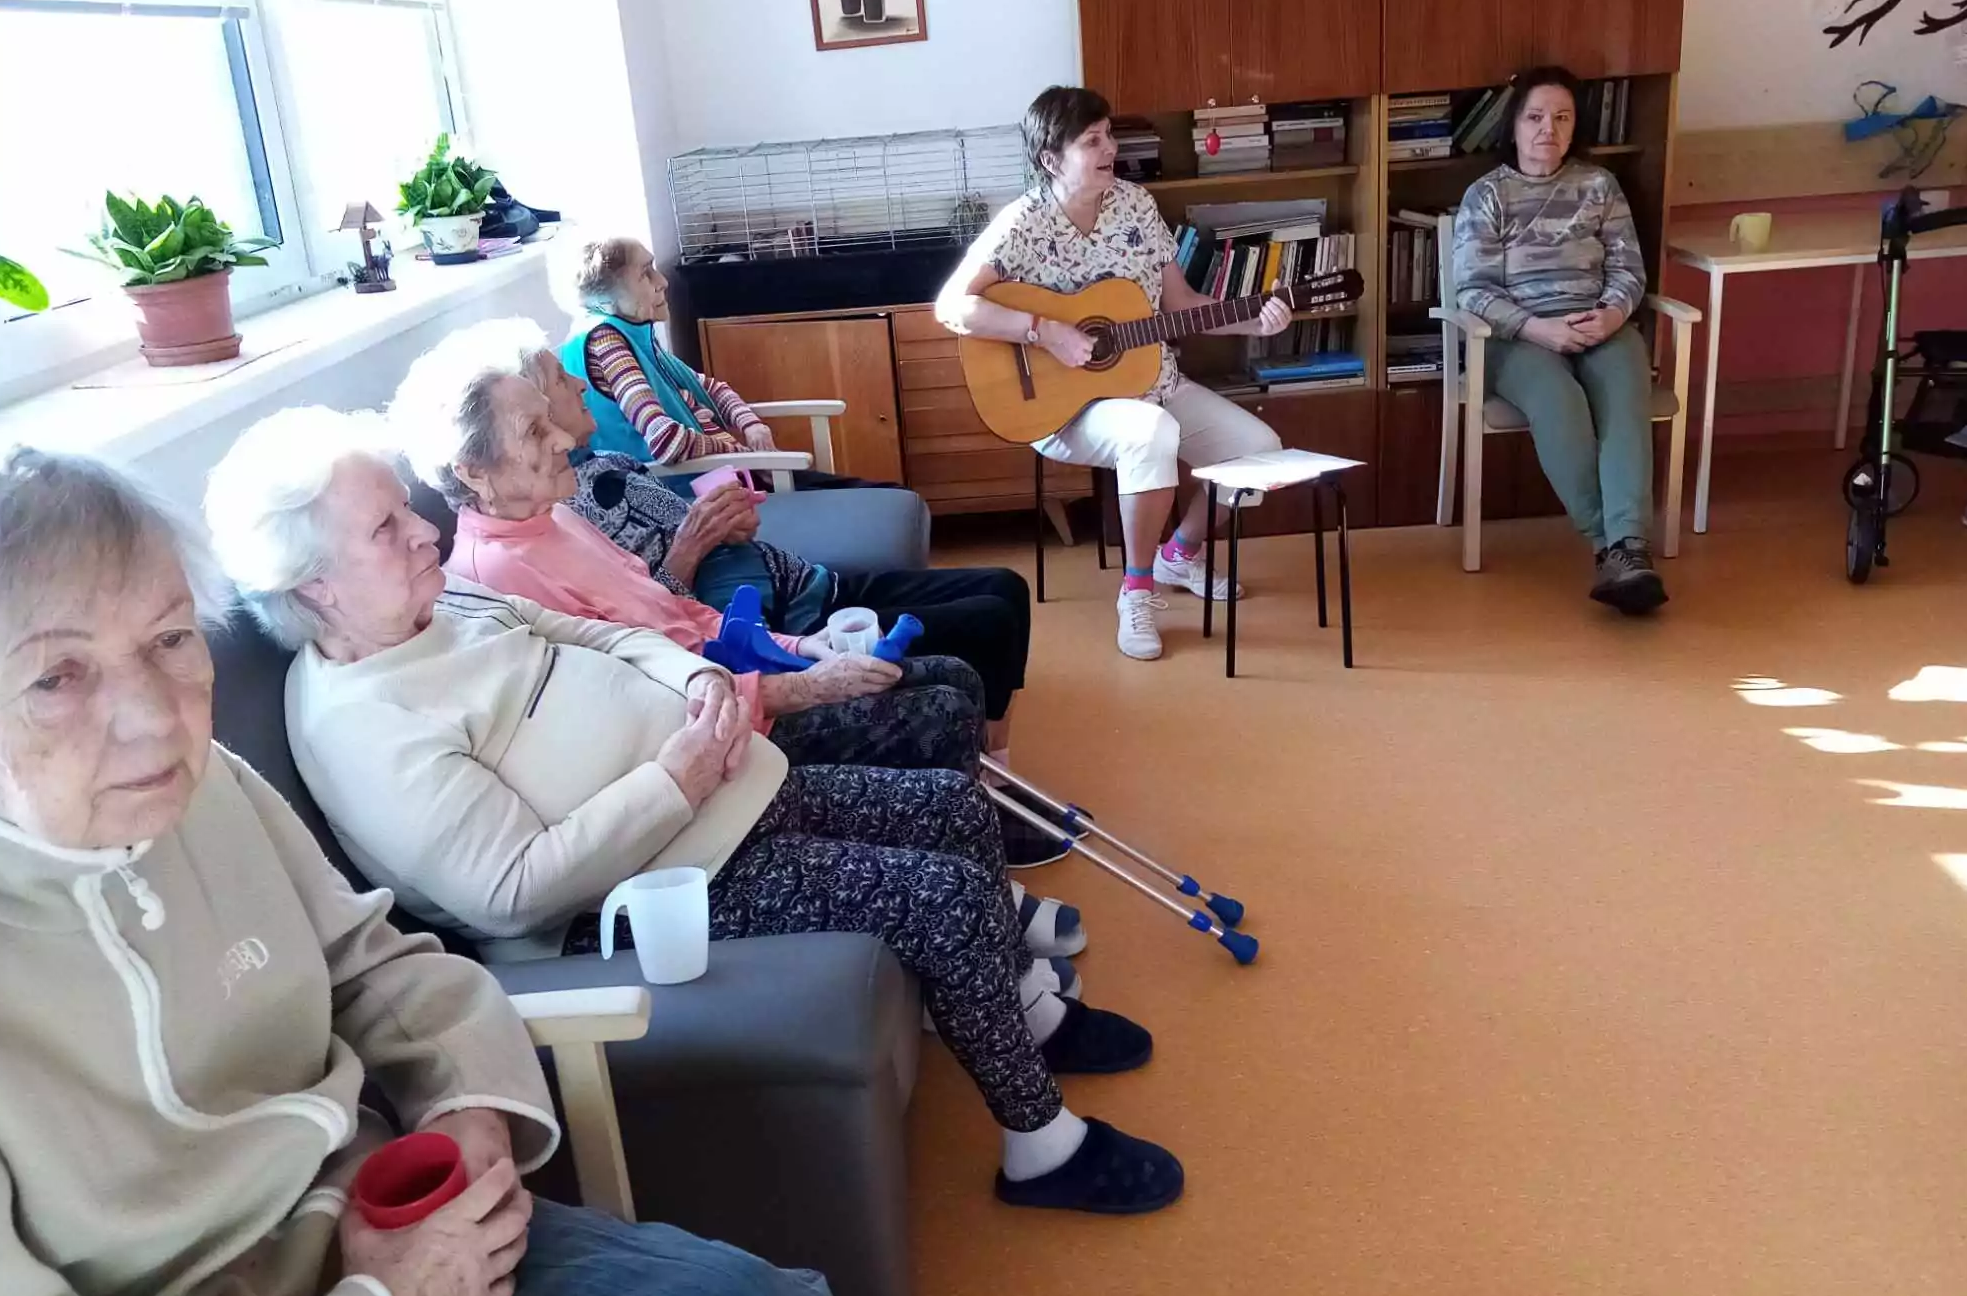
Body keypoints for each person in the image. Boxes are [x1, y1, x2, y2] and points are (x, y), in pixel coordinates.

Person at [0, 448, 866, 1296]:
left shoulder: (212, 785)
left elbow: (372, 963)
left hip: (399, 1222)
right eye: (56, 677)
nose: (153, 718)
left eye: (170, 639)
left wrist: (469, 1099)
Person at [202, 417, 1184, 1217]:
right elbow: (509, 894)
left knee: (951, 805)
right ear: (314, 585)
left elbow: (597, 634)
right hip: (642, 897)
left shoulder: (441, 604)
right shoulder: (360, 724)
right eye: (387, 528)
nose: (425, 532)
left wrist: (698, 678)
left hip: (723, 793)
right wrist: (673, 777)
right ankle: (1041, 1147)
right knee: (945, 897)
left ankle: (1027, 1016)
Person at [387, 325, 1077, 894]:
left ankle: (976, 848)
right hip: (721, 730)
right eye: (536, 431)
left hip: (744, 669)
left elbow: (679, 613)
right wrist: (801, 686)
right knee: (940, 705)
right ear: (473, 471)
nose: (564, 439)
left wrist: (801, 648)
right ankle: (973, 868)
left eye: (550, 421)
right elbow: (643, 701)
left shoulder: (555, 517)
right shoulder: (499, 577)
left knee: (953, 675)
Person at [937, 85, 1291, 662]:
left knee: (1259, 448)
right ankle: (1137, 591)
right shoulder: (1022, 223)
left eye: (1109, 136)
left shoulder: (1137, 206)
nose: (1110, 149)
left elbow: (1180, 305)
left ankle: (1181, 553)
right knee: (1150, 433)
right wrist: (1046, 331)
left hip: (1156, 383)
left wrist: (1253, 321)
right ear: (1052, 159)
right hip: (1066, 409)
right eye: (1092, 141)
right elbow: (952, 307)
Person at [1453, 64, 1666, 615]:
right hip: (1517, 336)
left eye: (1562, 118)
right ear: (1515, 125)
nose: (1548, 128)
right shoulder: (1487, 195)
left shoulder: (1599, 186)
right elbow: (1472, 291)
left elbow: (1629, 269)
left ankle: (1630, 546)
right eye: (1535, 117)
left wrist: (1613, 315)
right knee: (1560, 401)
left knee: (1625, 397)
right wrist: (1536, 328)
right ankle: (1609, 544)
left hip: (1599, 324)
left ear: (1575, 127)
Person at [562, 235, 876, 489]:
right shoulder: (608, 344)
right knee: (877, 496)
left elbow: (711, 388)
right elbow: (665, 440)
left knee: (878, 495)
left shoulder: (632, 335)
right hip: (699, 493)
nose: (663, 281)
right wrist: (744, 456)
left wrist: (751, 425)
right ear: (608, 296)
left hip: (729, 477)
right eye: (645, 273)